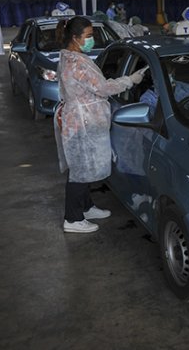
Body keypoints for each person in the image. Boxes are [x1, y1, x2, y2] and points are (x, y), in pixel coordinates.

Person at [53, 16, 146, 233]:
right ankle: (73, 219)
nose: (91, 39)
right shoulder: (77, 64)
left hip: (82, 119)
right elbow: (103, 88)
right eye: (88, 36)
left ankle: (85, 207)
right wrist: (130, 81)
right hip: (82, 123)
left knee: (83, 168)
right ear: (75, 38)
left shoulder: (71, 56)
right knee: (80, 171)